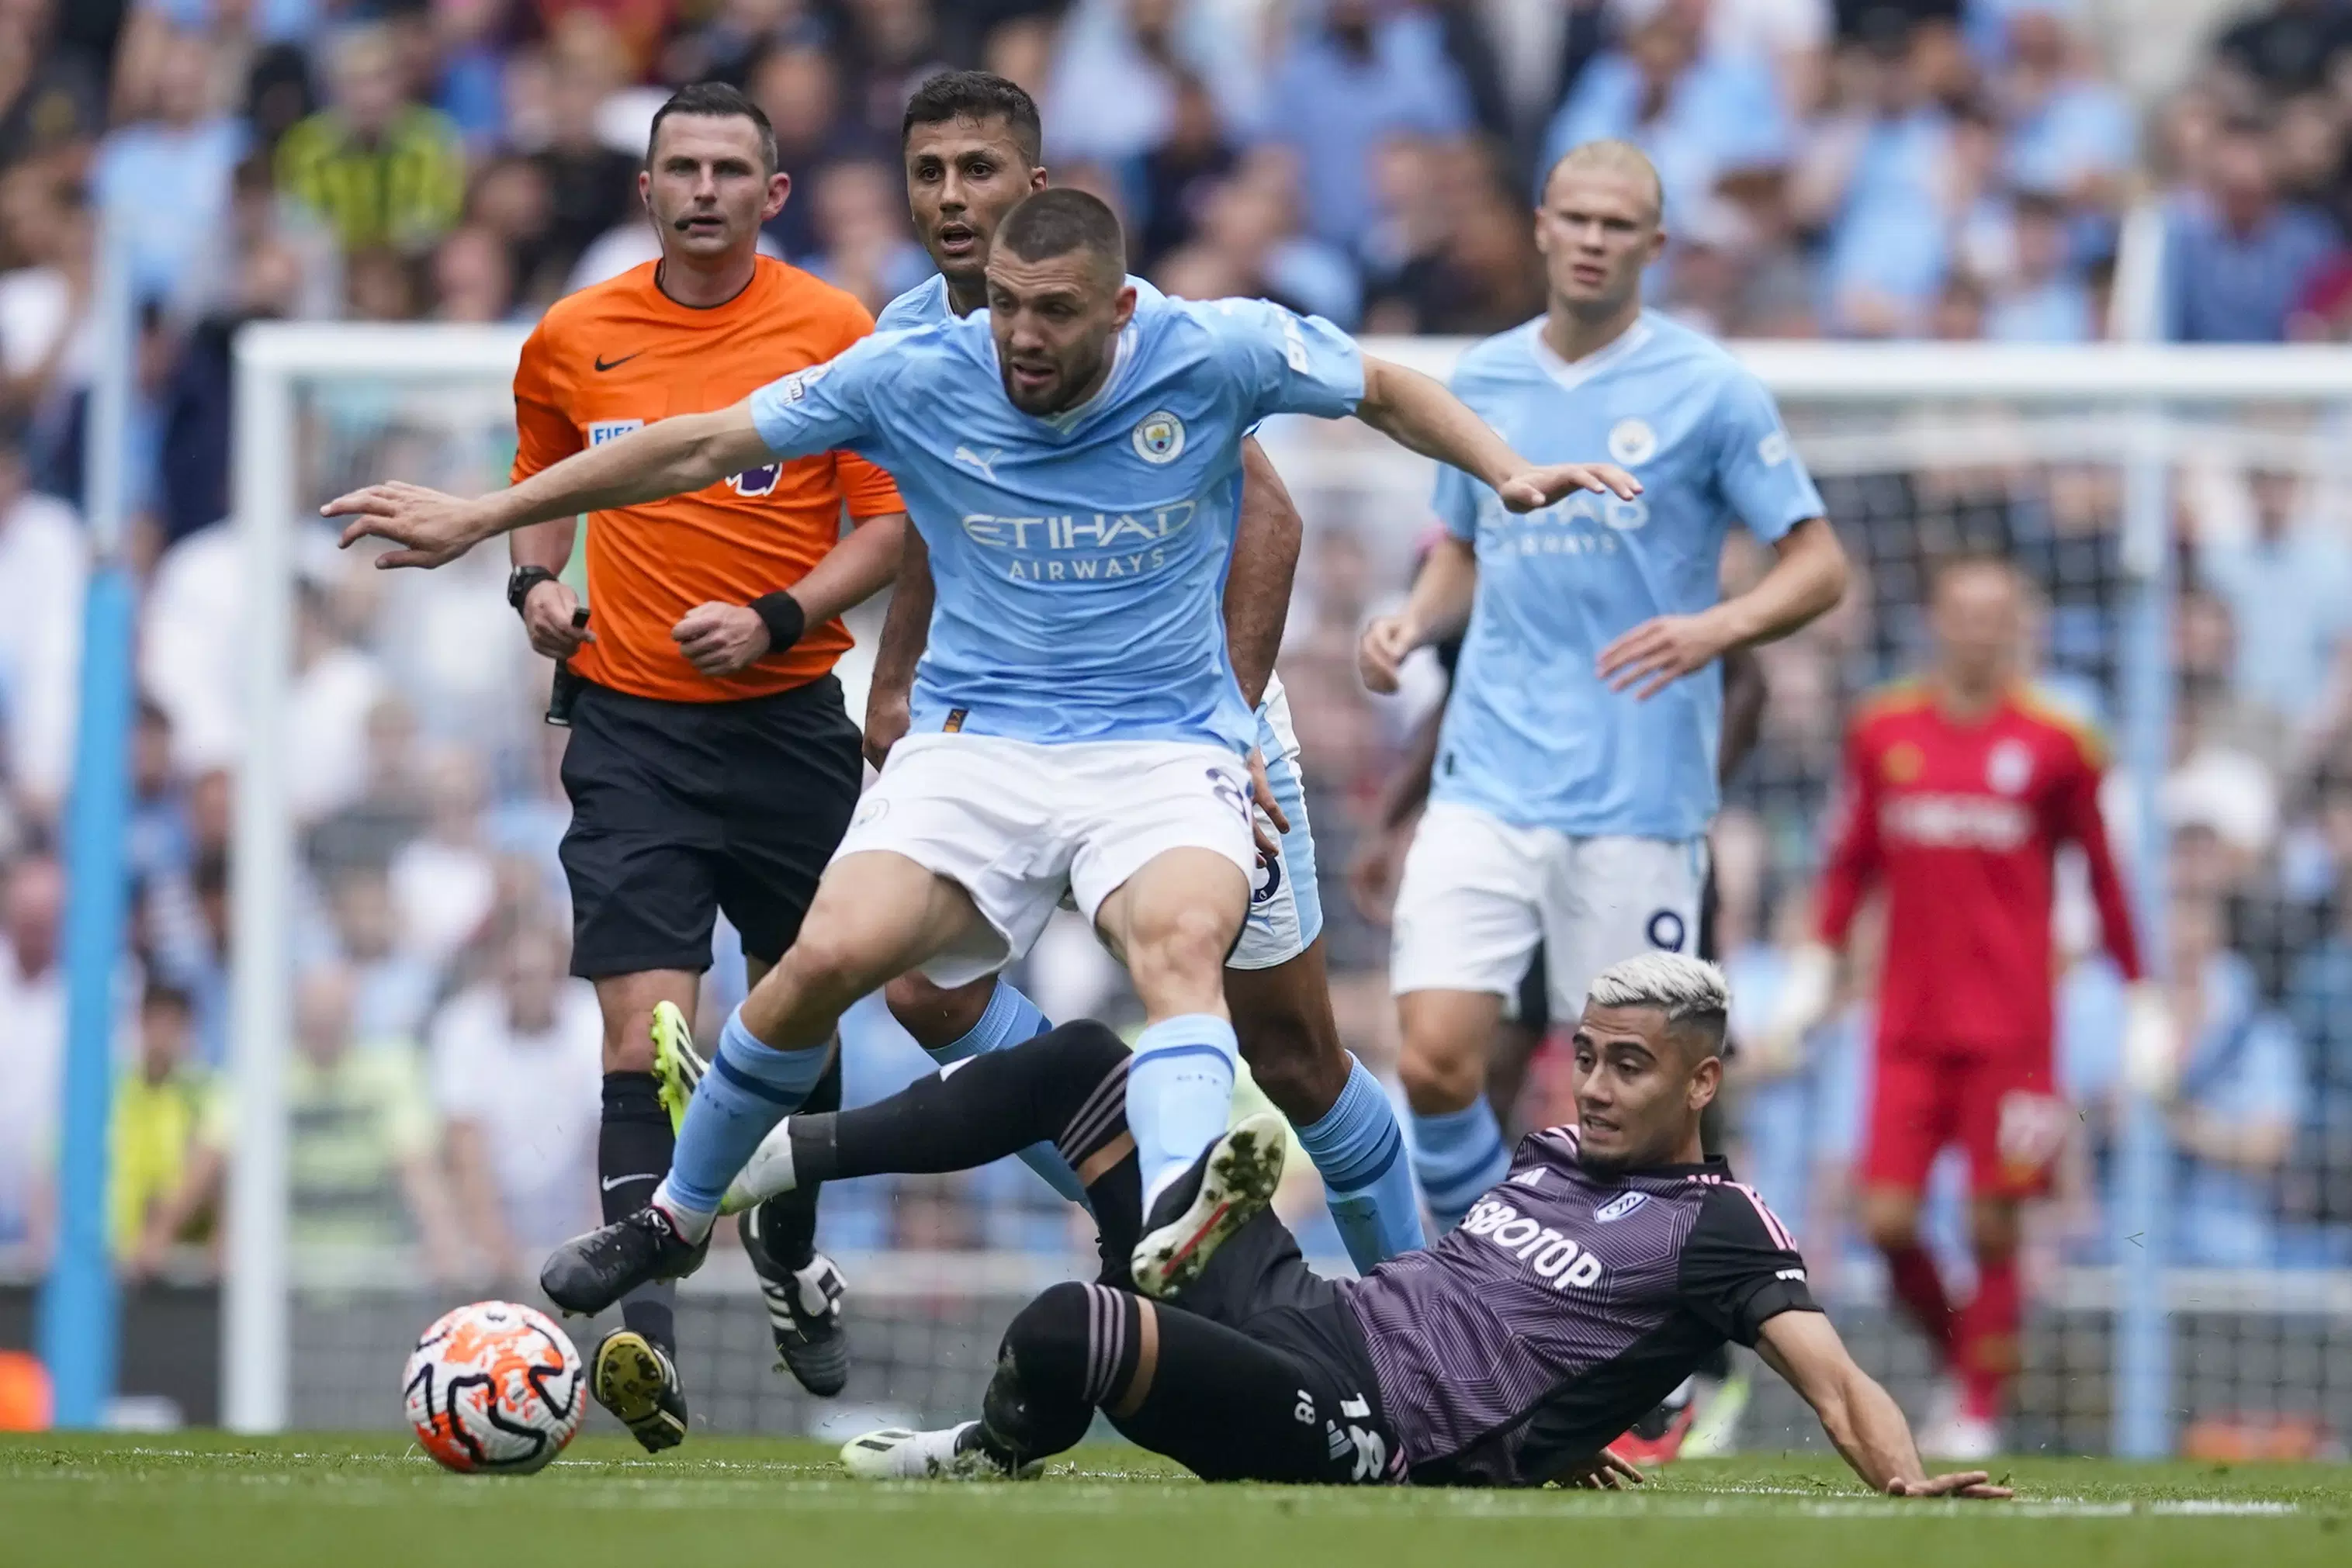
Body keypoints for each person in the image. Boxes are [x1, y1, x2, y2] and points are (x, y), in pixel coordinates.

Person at [325, 187, 1637, 1323]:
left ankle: (1179, 1209)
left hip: (1158, 743)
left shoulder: (1213, 349)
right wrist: (491, 511)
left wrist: (1505, 469)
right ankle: (674, 1217)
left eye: (1052, 311)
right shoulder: (917, 367)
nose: (1019, 334)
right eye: (1006, 305)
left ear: (1118, 308)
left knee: (1183, 954)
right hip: (980, 743)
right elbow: (705, 442)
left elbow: (1387, 389)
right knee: (829, 958)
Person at [745, 954, 2005, 1500]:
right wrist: (1551, 1427)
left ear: (1700, 1083)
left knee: (1070, 1327)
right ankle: (781, 1160)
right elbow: (1511, 1321)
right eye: (1588, 1059)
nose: (1597, 1086)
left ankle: (995, 1444)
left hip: (1368, 1427)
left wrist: (1899, 1475)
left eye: (1630, 1066)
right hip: (1318, 1311)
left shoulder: (1723, 1224)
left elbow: (1833, 1379)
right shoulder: (1553, 1151)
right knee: (1088, 1061)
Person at [864, 70, 1426, 1276]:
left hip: (1191, 721)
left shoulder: (1136, 332)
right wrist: (893, 675)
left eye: (980, 171)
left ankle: (1417, 1312)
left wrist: (1215, 733)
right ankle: (1173, 1209)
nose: (954, 198)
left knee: (1293, 1056)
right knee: (920, 989)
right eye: (930, 172)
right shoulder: (912, 338)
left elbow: (1267, 525)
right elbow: (939, 512)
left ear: (1038, 187)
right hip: (1010, 729)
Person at [498, 81, 913, 1449]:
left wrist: (779, 617)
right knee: (638, 1030)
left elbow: (885, 528)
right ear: (648, 185)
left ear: (772, 194)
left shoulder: (831, 331)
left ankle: (791, 1261)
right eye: (683, 166)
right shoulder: (574, 336)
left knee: (801, 1024)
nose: (705, 189)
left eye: (732, 169)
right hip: (628, 724)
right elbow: (539, 488)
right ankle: (643, 1340)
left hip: (792, 719)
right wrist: (533, 588)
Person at [1355, 137, 1846, 1236]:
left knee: (1642, 1103)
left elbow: (1819, 564)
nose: (1590, 241)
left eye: (1615, 226)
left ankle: (1653, 1361)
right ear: (1539, 225)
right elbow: (1462, 547)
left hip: (1636, 804)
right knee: (1434, 1063)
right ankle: (1485, 1283)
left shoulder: (1709, 391)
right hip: (1485, 781)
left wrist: (1711, 628)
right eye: (1573, 219)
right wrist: (1407, 618)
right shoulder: (1478, 381)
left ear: (1653, 245)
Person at [1758, 553, 2160, 1458]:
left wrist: (2140, 992)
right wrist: (1816, 965)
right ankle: (1973, 1362)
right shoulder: (1882, 729)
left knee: (1993, 1219)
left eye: (1995, 612)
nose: (1977, 628)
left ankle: (1975, 1403)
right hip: (1906, 1025)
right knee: (1886, 1219)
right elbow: (1851, 861)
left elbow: (2102, 872)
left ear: (2019, 624)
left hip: (2016, 1033)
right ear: (1936, 620)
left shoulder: (2058, 740)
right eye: (1962, 611)